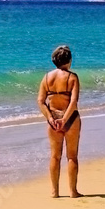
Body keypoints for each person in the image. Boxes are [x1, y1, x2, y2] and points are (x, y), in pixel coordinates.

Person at [37, 45, 82, 198]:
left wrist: (51, 118)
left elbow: (41, 101)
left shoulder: (46, 78)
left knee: (55, 156)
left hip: (53, 120)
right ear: (69, 60)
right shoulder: (72, 77)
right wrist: (64, 119)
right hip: (71, 119)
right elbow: (73, 102)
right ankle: (73, 191)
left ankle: (54, 191)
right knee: (72, 156)